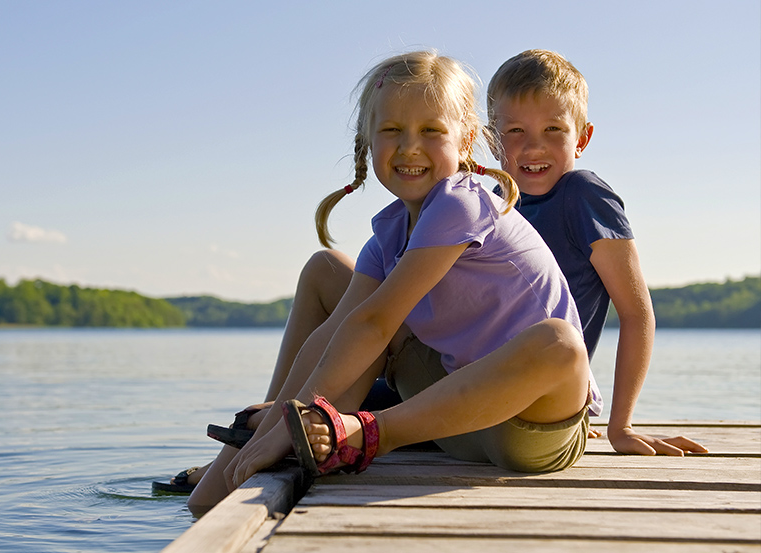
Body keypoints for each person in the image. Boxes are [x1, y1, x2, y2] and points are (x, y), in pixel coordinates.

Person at [187, 50, 601, 515]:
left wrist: (287, 422)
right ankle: (276, 431)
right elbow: (339, 331)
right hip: (453, 419)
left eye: (431, 131)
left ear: (466, 140)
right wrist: (275, 424)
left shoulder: (461, 202)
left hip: (533, 431)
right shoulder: (387, 235)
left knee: (561, 344)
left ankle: (361, 433)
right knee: (329, 278)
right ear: (367, 140)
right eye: (391, 131)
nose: (409, 148)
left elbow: (375, 323)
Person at [485, 49, 707, 456]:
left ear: (582, 138)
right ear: (490, 137)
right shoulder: (492, 203)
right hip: (478, 377)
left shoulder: (583, 196)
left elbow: (637, 314)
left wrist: (620, 426)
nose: (534, 147)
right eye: (515, 130)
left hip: (542, 386)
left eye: (554, 129)